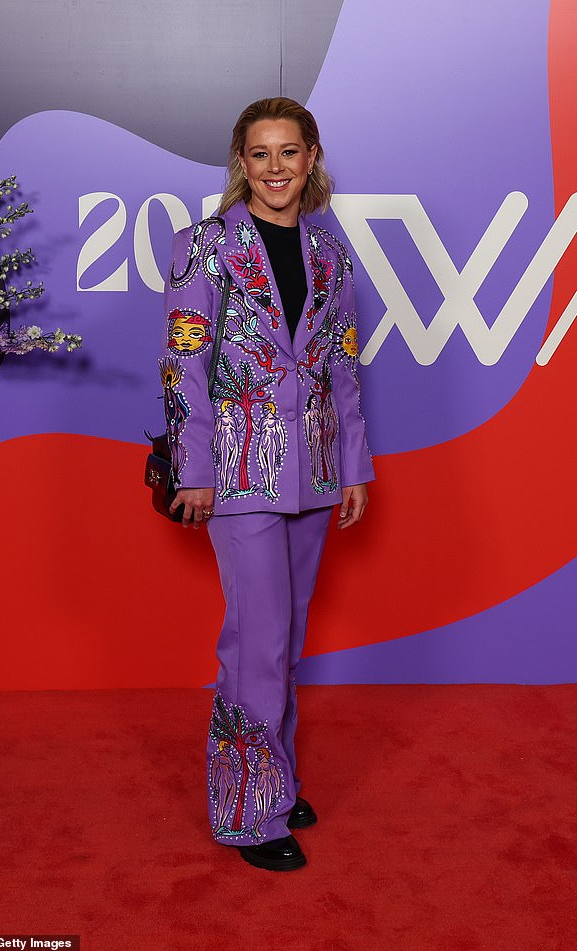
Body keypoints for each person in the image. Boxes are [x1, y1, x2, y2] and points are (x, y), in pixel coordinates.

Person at [159, 97, 375, 871]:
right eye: (261, 153)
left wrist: (353, 464)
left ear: (311, 158)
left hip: (314, 470)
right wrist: (194, 470)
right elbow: (184, 365)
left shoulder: (333, 258)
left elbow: (343, 365)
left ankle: (275, 778)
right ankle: (249, 811)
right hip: (239, 473)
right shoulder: (203, 249)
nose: (276, 167)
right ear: (240, 162)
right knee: (255, 641)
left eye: (290, 151)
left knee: (285, 642)